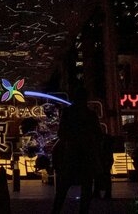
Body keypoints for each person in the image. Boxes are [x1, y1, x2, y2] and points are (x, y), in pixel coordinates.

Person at [50, 86, 103, 214]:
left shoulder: (68, 113)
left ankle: (56, 211)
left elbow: (61, 133)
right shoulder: (90, 115)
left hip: (72, 155)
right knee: (86, 188)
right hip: (86, 156)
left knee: (63, 188)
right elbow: (98, 135)